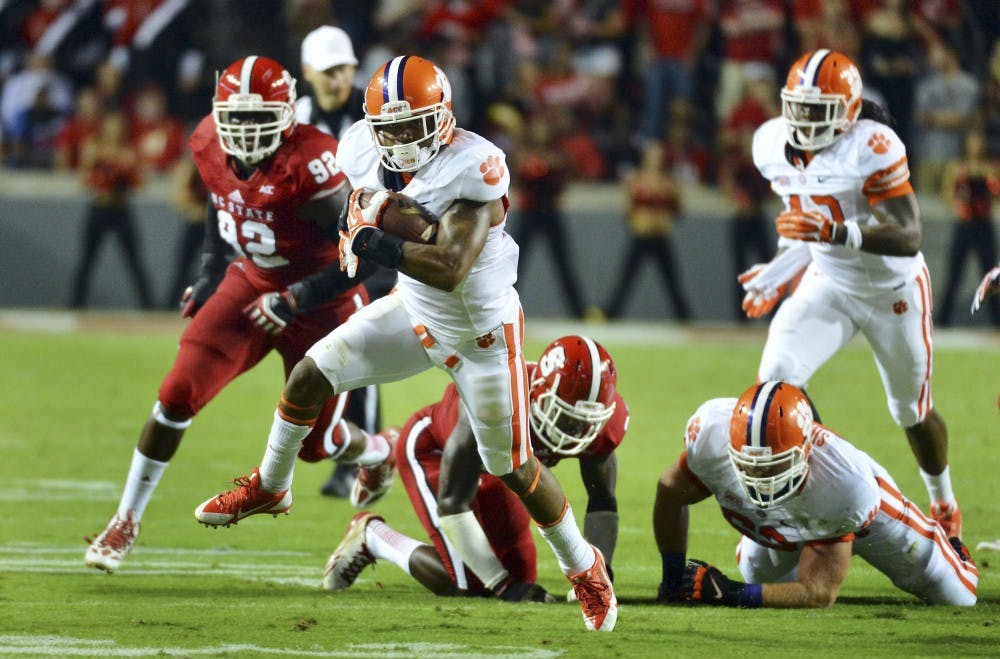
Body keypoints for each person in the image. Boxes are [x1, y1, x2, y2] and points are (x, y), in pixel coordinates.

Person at [193, 55, 618, 632]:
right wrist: (364, 216)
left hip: (482, 335)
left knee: (513, 464)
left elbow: (448, 264)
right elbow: (357, 208)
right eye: (387, 128)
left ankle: (583, 566)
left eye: (409, 126)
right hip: (414, 312)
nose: (397, 140)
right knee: (310, 376)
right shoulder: (360, 149)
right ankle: (271, 485)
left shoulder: (475, 166)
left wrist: (374, 233)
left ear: (441, 120)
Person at [85, 55, 385, 573]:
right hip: (251, 284)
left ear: (287, 113)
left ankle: (376, 450)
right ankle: (125, 519)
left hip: (322, 304)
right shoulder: (207, 142)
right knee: (176, 394)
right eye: (236, 117)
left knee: (318, 446)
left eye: (257, 117)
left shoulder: (313, 164)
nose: (245, 131)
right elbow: (219, 202)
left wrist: (296, 299)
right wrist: (209, 271)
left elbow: (362, 258)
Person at [738, 49, 963, 538]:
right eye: (795, 106)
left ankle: (943, 503)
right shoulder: (771, 143)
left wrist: (840, 232)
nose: (801, 120)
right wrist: (779, 271)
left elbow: (908, 234)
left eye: (816, 111)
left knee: (910, 410)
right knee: (775, 380)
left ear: (849, 112)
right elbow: (804, 222)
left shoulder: (873, 145)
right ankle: (807, 497)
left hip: (893, 289)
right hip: (830, 282)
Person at [322, 335, 627, 604]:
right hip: (436, 452)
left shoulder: (597, 424)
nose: (573, 429)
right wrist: (502, 585)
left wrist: (599, 572)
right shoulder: (495, 401)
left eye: (583, 421)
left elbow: (602, 499)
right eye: (564, 415)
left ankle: (386, 449)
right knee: (470, 583)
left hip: (499, 470)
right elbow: (452, 504)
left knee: (522, 576)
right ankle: (372, 536)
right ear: (539, 393)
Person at [653, 381, 978, 608]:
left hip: (863, 515)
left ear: (805, 450)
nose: (759, 476)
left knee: (956, 594)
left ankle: (950, 549)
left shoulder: (846, 484)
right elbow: (670, 493)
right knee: (758, 571)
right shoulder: (709, 436)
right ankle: (776, 540)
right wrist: (672, 579)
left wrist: (731, 592)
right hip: (790, 516)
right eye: (748, 465)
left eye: (772, 466)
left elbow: (819, 592)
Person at [295, 24, 393, 498]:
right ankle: (353, 451)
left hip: (372, 247)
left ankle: (365, 456)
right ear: (308, 71)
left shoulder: (373, 112)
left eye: (345, 68)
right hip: (321, 252)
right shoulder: (295, 117)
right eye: (329, 70)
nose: (338, 78)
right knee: (331, 354)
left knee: (363, 351)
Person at [68, 109, 154, 309]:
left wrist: (127, 171)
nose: (114, 130)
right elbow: (83, 180)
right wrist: (102, 170)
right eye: (111, 125)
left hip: (122, 209)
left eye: (118, 126)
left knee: (135, 261)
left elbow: (140, 183)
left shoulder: (128, 151)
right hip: (100, 207)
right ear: (104, 127)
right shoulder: (94, 148)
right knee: (87, 260)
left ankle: (149, 307)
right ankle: (74, 305)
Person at [603, 141, 692, 321]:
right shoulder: (636, 179)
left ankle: (684, 316)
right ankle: (611, 313)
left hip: (660, 235)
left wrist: (665, 215)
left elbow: (678, 209)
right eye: (651, 154)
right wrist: (637, 220)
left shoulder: (669, 182)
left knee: (672, 279)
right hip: (641, 234)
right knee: (626, 277)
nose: (654, 159)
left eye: (658, 155)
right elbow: (628, 208)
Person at [936, 131, 999, 327]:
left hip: (984, 225)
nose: (975, 145)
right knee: (954, 274)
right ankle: (942, 321)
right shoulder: (957, 167)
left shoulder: (991, 168)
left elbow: (996, 195)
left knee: (991, 277)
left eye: (979, 140)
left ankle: (997, 321)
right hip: (964, 224)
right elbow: (947, 194)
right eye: (972, 140)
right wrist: (959, 204)